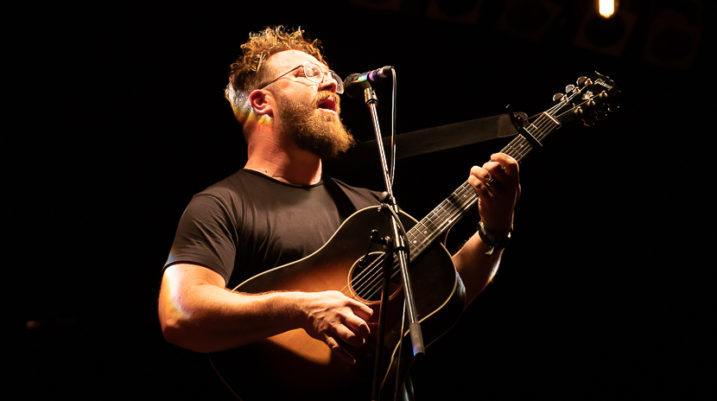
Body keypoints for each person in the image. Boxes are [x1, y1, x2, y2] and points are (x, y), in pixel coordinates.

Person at [157, 26, 520, 401]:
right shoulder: (222, 204)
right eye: (306, 74)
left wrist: (494, 228)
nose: (331, 84)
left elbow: (446, 295)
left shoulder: (372, 208)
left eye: (329, 75)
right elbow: (180, 313)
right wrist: (300, 308)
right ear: (262, 101)